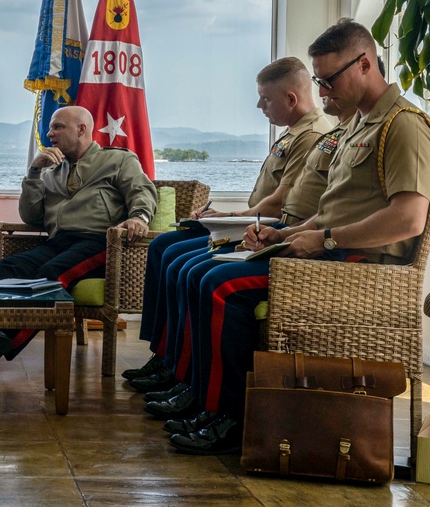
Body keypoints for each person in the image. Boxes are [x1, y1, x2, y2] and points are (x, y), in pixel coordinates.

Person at [169, 18, 430, 455]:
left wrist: (326, 238)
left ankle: (232, 417)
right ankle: (205, 400)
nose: (323, 92)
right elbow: (329, 210)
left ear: (365, 63)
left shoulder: (402, 125)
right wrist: (282, 233)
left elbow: (408, 220)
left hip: (363, 266)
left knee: (221, 285)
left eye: (329, 80)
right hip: (332, 249)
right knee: (203, 270)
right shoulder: (354, 126)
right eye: (318, 81)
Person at [143, 95, 355, 423]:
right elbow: (321, 208)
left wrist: (281, 231)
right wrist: (282, 233)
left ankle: (219, 406)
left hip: (325, 247)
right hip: (290, 230)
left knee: (204, 275)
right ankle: (175, 365)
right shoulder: (333, 134)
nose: (258, 105)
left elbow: (295, 207)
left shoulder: (319, 134)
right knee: (173, 254)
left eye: (265, 98)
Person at [127, 57, 332, 394]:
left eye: (265, 98)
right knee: (164, 245)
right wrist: (226, 216)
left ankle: (181, 367)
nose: (259, 105)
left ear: (291, 99)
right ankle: (165, 355)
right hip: (259, 224)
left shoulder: (312, 135)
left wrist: (231, 219)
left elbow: (281, 202)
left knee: (182, 262)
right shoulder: (293, 133)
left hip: (272, 228)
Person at [0, 105, 158, 379]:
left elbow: (142, 192)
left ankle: (0, 344)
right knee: (11, 267)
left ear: (81, 129)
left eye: (57, 127)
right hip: (58, 241)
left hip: (99, 242)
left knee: (50, 276)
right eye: (50, 127)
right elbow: (30, 215)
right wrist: (35, 172)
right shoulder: (52, 169)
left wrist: (140, 217)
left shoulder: (117, 161)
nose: (49, 134)